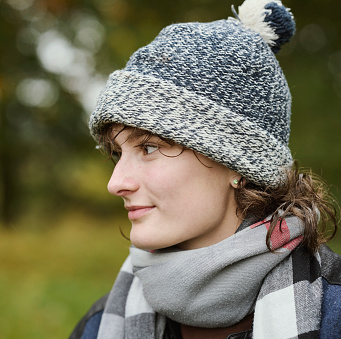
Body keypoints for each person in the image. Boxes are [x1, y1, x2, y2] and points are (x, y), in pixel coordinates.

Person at [69, 0, 341, 338]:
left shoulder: (332, 314)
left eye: (149, 147)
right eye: (117, 152)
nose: (116, 183)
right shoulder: (99, 326)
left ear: (238, 163)